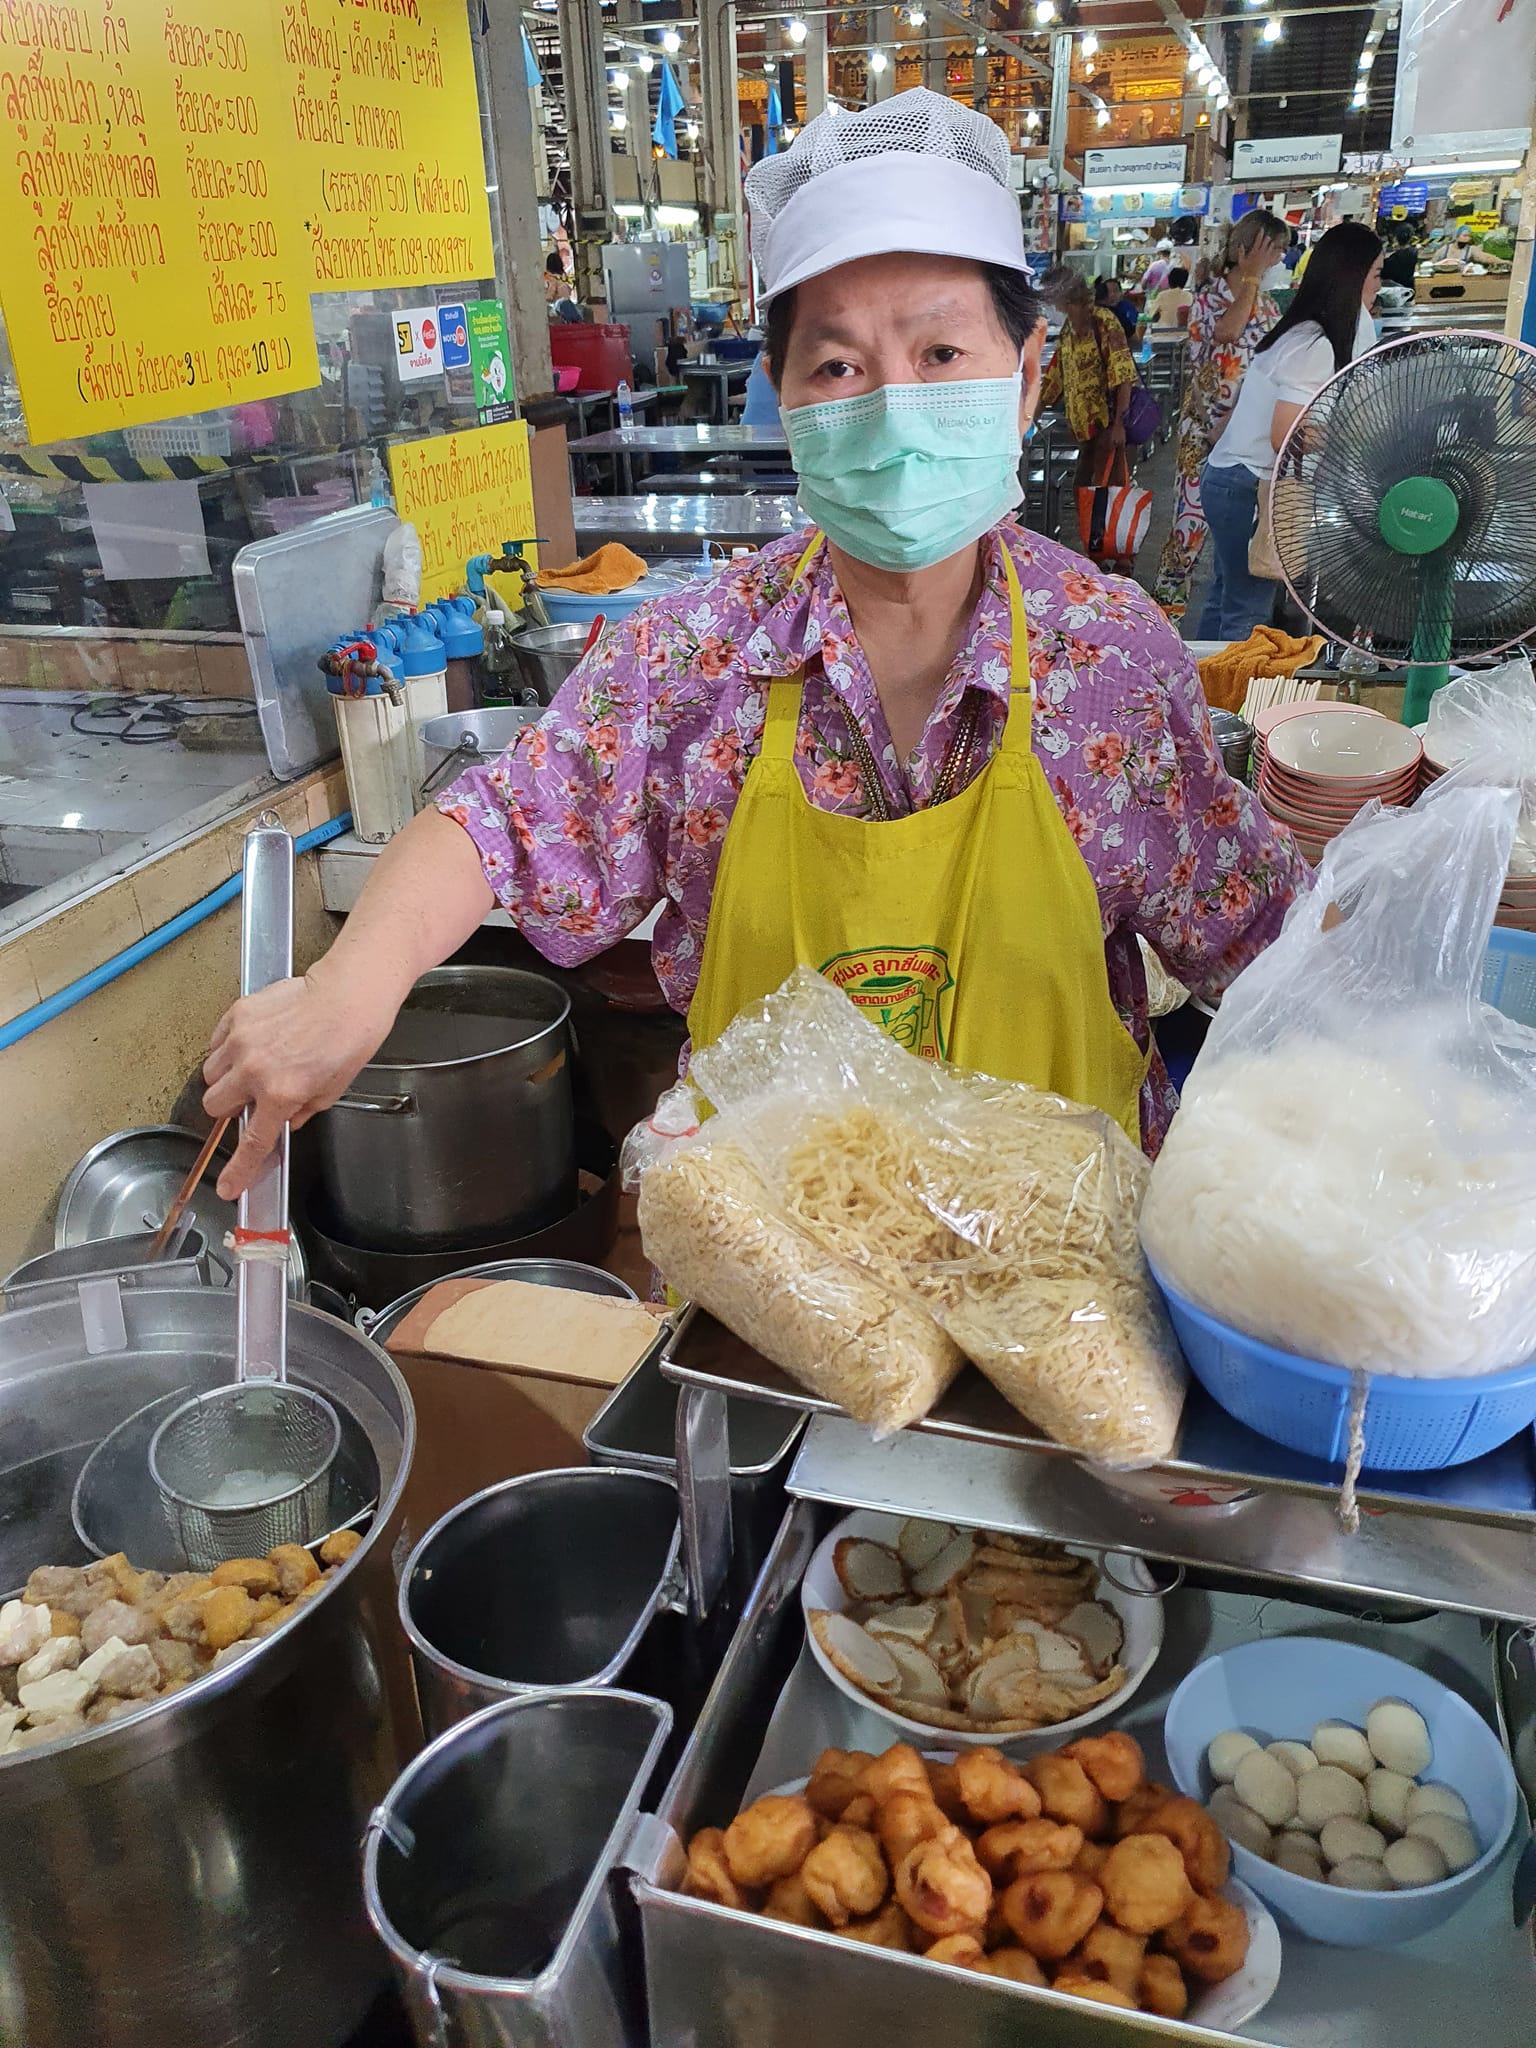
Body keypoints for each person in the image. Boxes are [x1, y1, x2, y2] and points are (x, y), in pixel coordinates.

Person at [202, 88, 1304, 1186]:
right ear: (781, 395)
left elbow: (1265, 943)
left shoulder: (1113, 659)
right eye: (838, 366)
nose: (890, 405)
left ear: (1022, 383)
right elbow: (497, 821)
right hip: (768, 1307)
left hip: (1061, 1302)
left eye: (939, 354)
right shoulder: (691, 661)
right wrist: (349, 985)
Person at [1197, 221, 1383, 642]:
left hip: (1231, 476)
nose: (1379, 286)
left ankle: (1202, 689)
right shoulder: (1315, 344)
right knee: (1248, 607)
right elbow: (1289, 436)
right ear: (1352, 276)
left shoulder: (1312, 329)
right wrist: (1359, 436)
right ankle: (1237, 700)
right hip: (1247, 484)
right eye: (1375, 275)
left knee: (1228, 595)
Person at [1152, 210, 1287, 620]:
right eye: (1272, 251)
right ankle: (1163, 624)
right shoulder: (1209, 298)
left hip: (1248, 437)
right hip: (1205, 434)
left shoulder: (1266, 305)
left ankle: (1215, 636)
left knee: (1238, 546)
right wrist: (1250, 276)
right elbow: (1227, 332)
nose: (1277, 261)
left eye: (1280, 252)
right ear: (1246, 252)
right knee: (1187, 535)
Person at [1038, 265, 1137, 523]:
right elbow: (1054, 379)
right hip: (1086, 434)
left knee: (1105, 498)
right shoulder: (1067, 332)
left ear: (1067, 299)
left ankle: (1110, 558)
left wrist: (1119, 426)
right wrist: (1029, 417)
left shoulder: (1103, 322)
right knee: (1086, 494)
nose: (1050, 309)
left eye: (1052, 301)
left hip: (1107, 428)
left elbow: (1123, 374)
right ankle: (1096, 553)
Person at [1095, 274, 1140, 344]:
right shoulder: (1112, 315)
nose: (1112, 295)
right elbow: (1135, 339)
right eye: (1109, 292)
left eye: (1115, 291)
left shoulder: (1125, 308)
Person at [1149, 266, 1193, 330]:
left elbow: (1151, 315)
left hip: (1163, 332)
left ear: (1169, 280)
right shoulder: (1189, 296)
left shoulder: (1162, 295)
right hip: (1182, 332)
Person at [544, 251, 582, 323]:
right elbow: (569, 291)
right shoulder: (563, 277)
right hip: (568, 304)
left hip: (559, 306)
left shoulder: (551, 278)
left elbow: (550, 296)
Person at [1381, 225, 1420, 289]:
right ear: (1411, 238)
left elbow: (1383, 274)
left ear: (1396, 238)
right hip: (1410, 289)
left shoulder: (1391, 258)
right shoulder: (1415, 253)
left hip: (1394, 291)